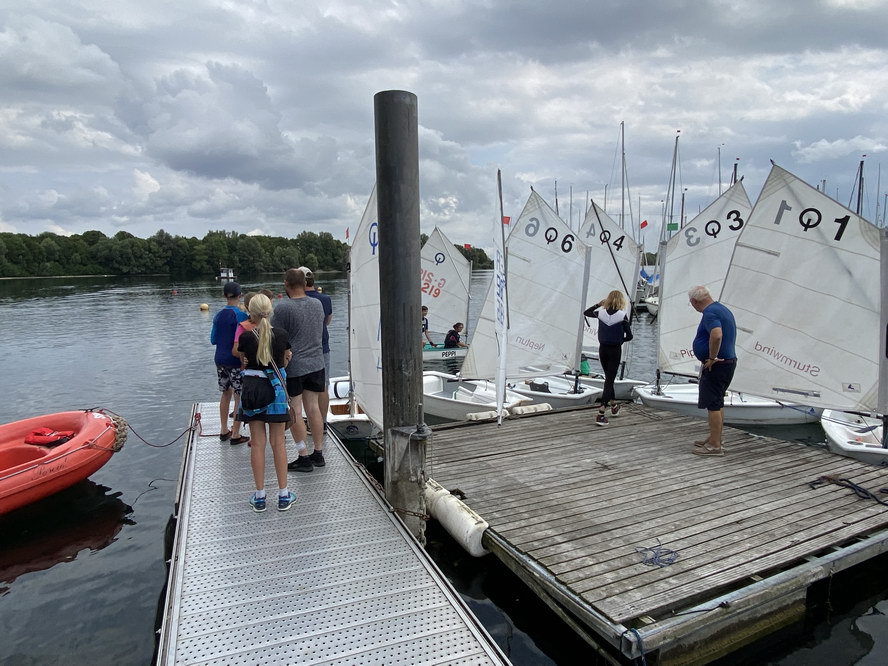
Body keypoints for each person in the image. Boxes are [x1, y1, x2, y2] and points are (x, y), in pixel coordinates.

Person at [236, 294, 296, 512]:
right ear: (270, 311)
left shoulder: (245, 337)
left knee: (257, 443)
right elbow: (286, 359)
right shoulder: (281, 335)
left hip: (253, 392)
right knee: (278, 443)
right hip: (276, 392)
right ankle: (283, 495)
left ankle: (260, 496)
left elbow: (243, 360)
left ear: (250, 313)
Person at [272, 268, 326, 472]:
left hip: (295, 365)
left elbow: (275, 336)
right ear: (305, 283)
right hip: (317, 362)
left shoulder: (283, 308)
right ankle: (318, 452)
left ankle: (303, 456)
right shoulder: (317, 304)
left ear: (286, 284)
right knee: (313, 407)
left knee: (295, 409)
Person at [689, 285, 737, 456]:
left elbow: (717, 335)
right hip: (728, 362)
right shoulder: (721, 309)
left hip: (718, 365)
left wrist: (711, 357)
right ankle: (715, 437)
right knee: (717, 402)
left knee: (713, 404)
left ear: (694, 301)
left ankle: (715, 445)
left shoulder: (710, 313)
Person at [584, 290, 633, 425]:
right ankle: (601, 413)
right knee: (609, 380)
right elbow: (629, 336)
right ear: (621, 301)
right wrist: (620, 340)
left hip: (603, 349)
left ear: (608, 300)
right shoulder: (622, 316)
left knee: (608, 379)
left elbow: (586, 313)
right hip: (615, 350)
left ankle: (614, 405)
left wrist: (598, 304)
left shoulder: (601, 313)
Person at [210, 282, 249, 445]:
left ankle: (223, 429)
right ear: (240, 295)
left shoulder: (218, 315)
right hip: (235, 360)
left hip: (219, 358)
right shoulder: (241, 316)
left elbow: (213, 339)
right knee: (238, 395)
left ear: (224, 296)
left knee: (225, 393)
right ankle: (236, 433)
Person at [301, 266, 333, 432]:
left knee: (305, 387)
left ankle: (310, 421)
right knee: (323, 385)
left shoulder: (298, 300)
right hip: (322, 345)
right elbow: (327, 321)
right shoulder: (325, 299)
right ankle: (323, 421)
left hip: (302, 347)